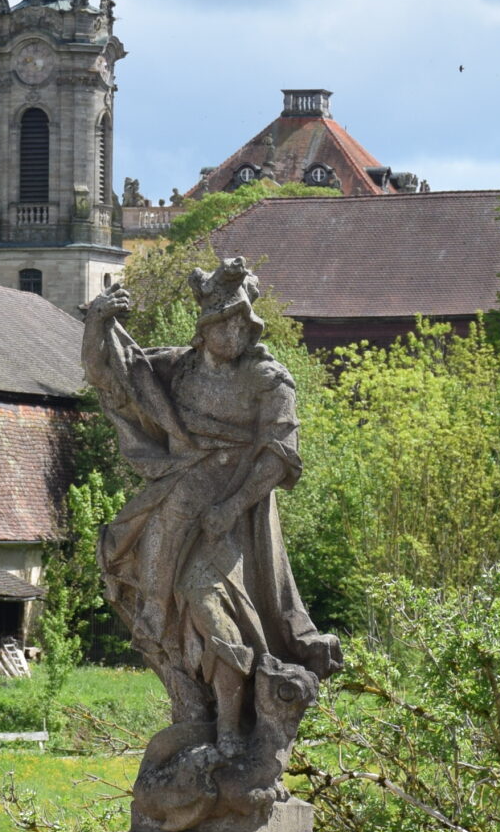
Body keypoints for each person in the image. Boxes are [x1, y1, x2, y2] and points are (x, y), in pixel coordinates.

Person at [83, 259, 340, 800]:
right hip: (175, 503)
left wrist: (231, 505)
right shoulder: (178, 370)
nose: (237, 333)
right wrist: (98, 324)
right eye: (226, 322)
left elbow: (279, 457)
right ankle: (194, 712)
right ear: (205, 329)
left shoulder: (269, 379)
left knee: (206, 601)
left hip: (235, 522)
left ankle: (230, 732)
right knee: (156, 603)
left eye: (245, 323)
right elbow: (113, 376)